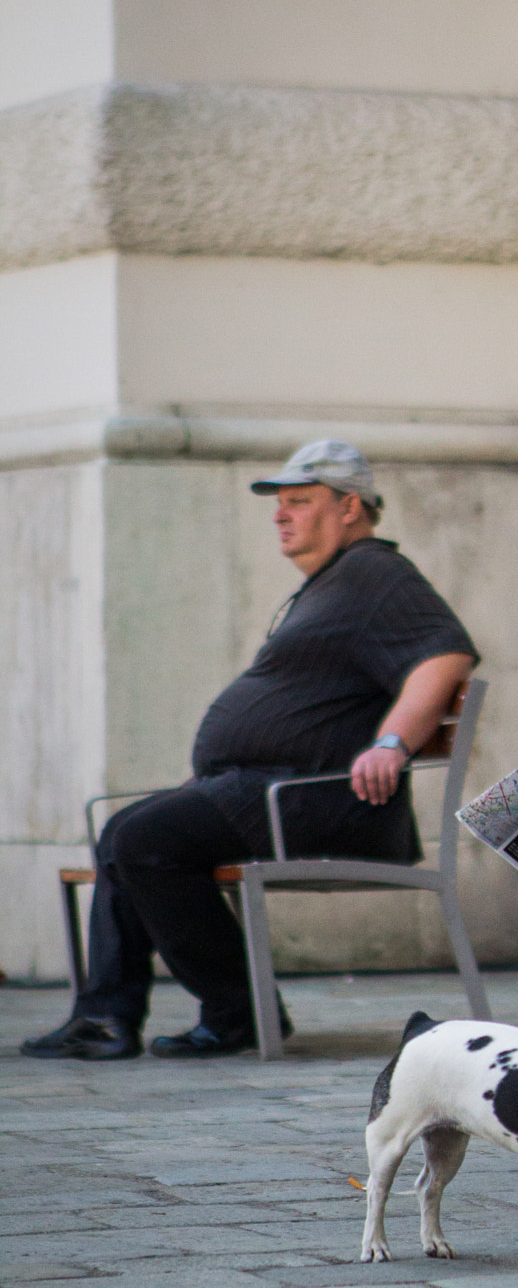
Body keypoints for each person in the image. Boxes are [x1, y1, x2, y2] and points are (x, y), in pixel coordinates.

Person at [25, 441, 479, 1061]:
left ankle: (235, 1011)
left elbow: (446, 653)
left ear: (350, 508)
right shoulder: (331, 584)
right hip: (264, 792)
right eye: (278, 504)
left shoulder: (376, 572)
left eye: (299, 500)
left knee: (142, 841)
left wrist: (392, 743)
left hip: (314, 800)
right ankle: (106, 1017)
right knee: (125, 831)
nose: (280, 515)